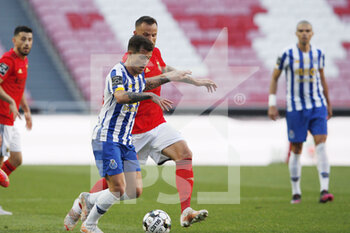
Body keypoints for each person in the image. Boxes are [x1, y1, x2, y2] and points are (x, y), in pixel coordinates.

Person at [64, 16, 216, 231]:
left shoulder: (152, 53)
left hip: (156, 123)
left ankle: (186, 211)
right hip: (130, 132)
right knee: (117, 186)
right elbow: (132, 89)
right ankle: (85, 204)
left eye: (154, 35)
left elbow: (164, 70)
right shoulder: (131, 63)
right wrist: (152, 94)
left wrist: (194, 81)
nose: (152, 39)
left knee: (184, 153)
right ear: (134, 35)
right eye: (146, 35)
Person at [268, 20, 334, 204]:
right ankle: (296, 192)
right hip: (295, 108)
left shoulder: (319, 54)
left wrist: (328, 103)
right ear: (296, 33)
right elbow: (274, 77)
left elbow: (322, 78)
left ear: (312, 33)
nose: (304, 33)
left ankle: (324, 190)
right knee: (296, 149)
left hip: (317, 106)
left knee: (321, 144)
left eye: (307, 31)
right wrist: (272, 103)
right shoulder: (286, 54)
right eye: (301, 31)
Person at [0, 26, 33, 189]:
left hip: (12, 119)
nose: (27, 43)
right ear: (14, 40)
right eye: (23, 39)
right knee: (0, 158)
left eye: (29, 39)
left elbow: (19, 88)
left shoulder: (24, 61)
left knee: (16, 159)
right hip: (2, 116)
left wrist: (26, 110)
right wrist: (11, 102)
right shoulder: (7, 60)